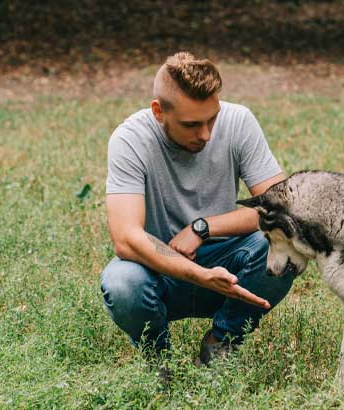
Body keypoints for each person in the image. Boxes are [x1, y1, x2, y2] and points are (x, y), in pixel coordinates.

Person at [101, 51, 295, 369]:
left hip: (229, 268)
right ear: (158, 111)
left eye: (212, 119)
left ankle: (221, 343)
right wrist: (200, 275)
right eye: (191, 124)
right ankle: (159, 360)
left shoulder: (239, 121)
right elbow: (126, 238)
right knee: (122, 283)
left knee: (283, 244)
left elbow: (282, 210)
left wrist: (202, 228)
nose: (205, 134)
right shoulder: (129, 139)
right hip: (159, 272)